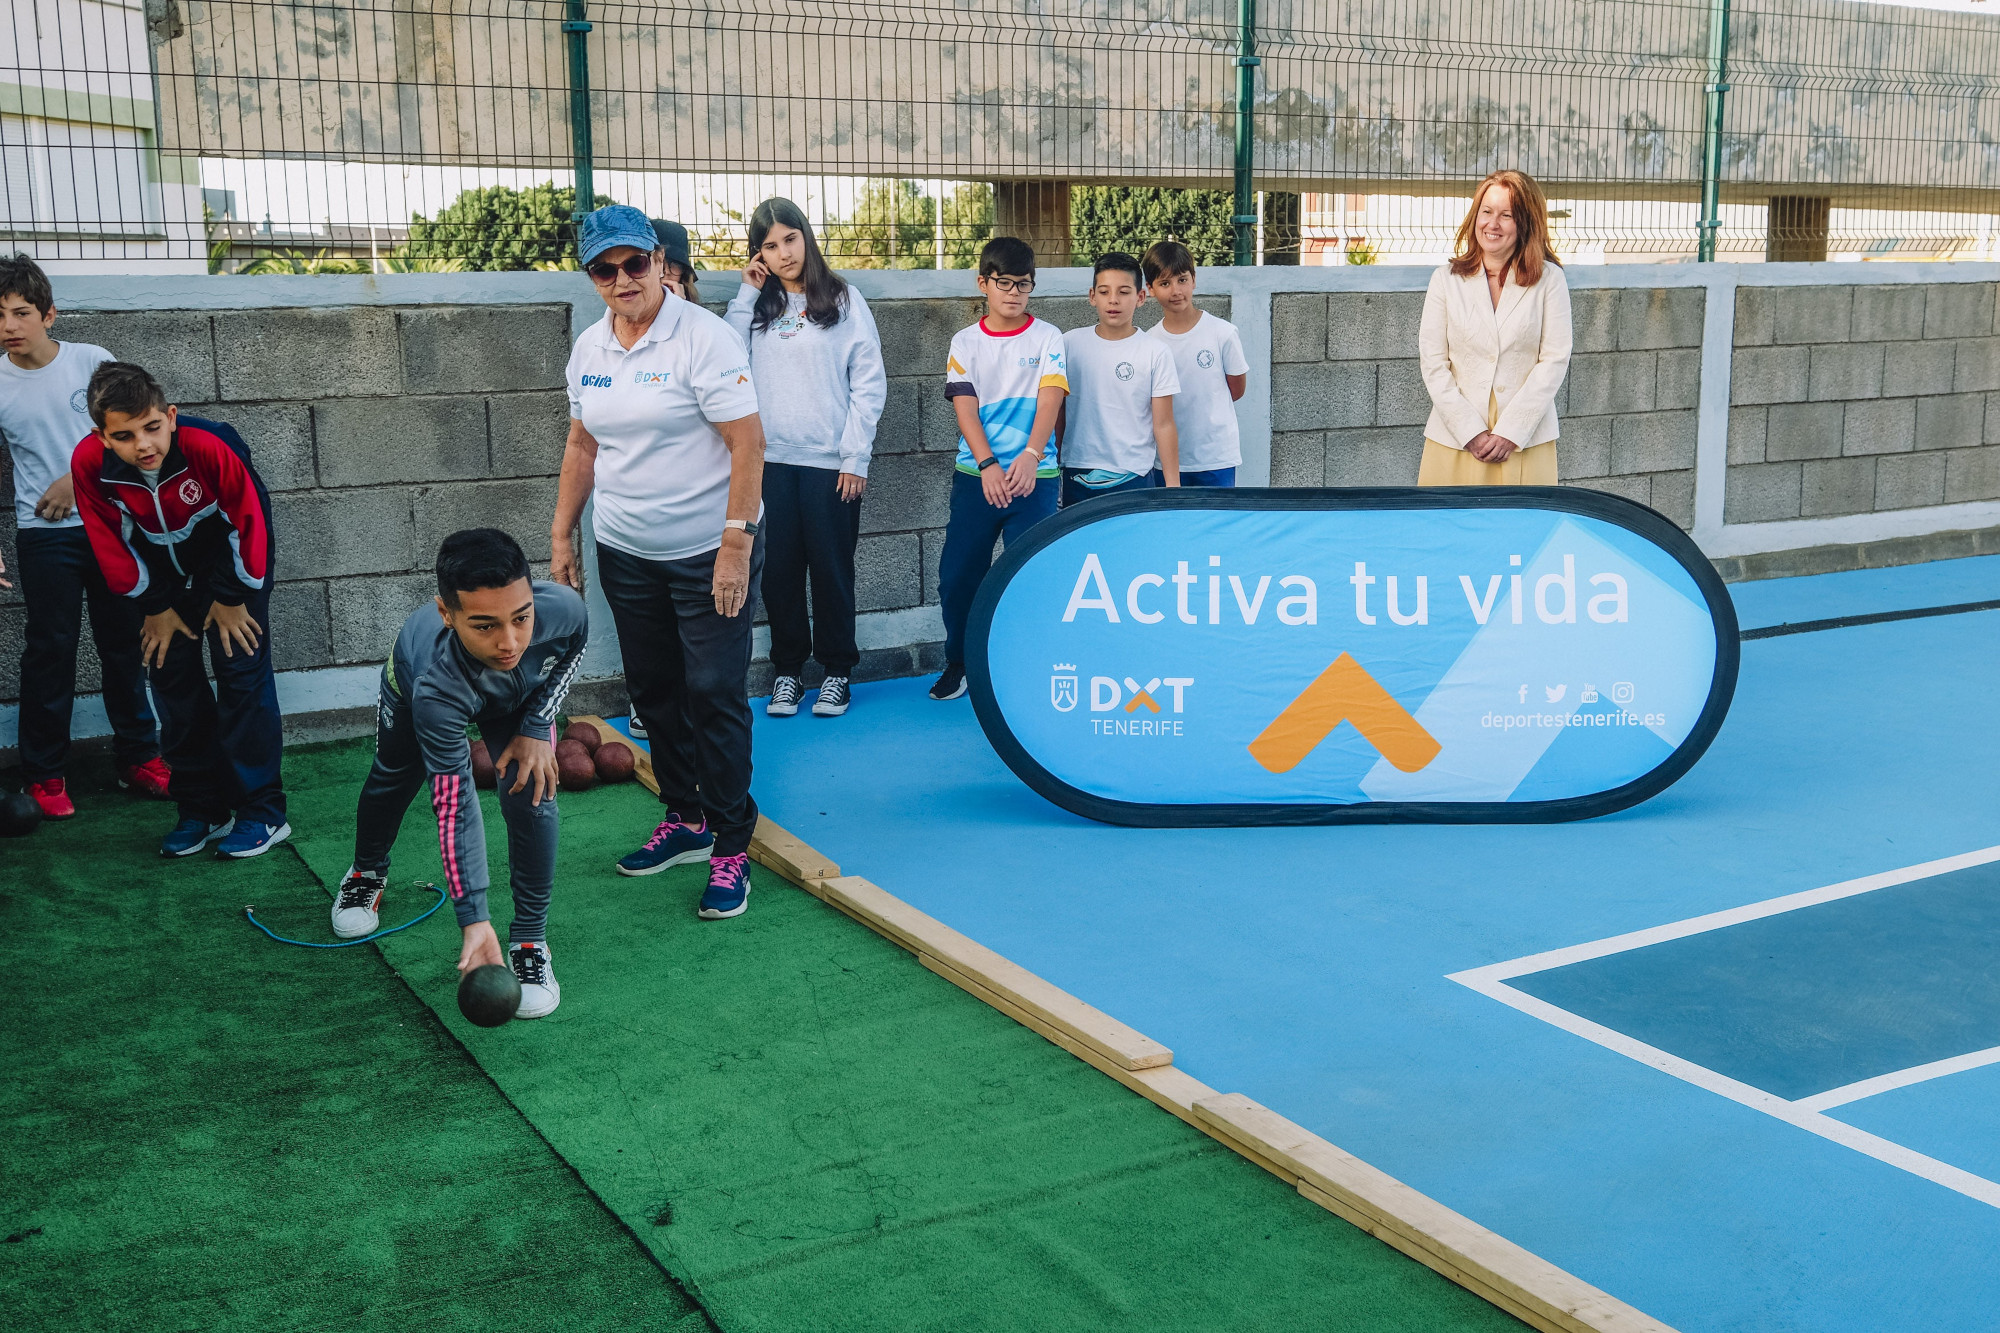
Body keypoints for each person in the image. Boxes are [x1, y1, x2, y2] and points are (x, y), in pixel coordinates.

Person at [550, 204, 768, 919]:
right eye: (604, 269)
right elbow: (583, 447)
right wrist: (562, 537)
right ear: (592, 276)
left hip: (709, 550)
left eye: (633, 263)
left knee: (713, 690)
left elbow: (747, 443)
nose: (622, 279)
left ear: (658, 261)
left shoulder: (703, 339)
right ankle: (686, 818)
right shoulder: (590, 349)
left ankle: (733, 843)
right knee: (653, 692)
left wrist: (736, 542)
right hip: (626, 551)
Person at [335, 529, 584, 1019]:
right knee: (393, 778)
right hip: (423, 689)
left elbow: (573, 651)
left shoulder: (563, 610)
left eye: (521, 618)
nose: (510, 642)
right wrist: (474, 918)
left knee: (533, 791)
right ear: (447, 615)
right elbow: (456, 807)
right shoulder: (435, 688)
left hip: (518, 702)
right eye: (485, 625)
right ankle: (366, 870)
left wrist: (537, 724)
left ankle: (530, 941)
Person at [70, 361, 288, 858]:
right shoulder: (88, 465)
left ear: (170, 415)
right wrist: (155, 606)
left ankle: (262, 812)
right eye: (123, 436)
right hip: (160, 582)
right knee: (172, 683)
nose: (143, 445)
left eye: (151, 427)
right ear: (102, 437)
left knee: (242, 677)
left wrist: (231, 597)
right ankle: (202, 808)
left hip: (231, 565)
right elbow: (108, 544)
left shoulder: (209, 446)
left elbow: (249, 523)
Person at [0, 253, 168, 819]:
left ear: (49, 314)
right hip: (43, 536)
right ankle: (45, 774)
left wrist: (76, 477)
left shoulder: (90, 361)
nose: (9, 326)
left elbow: (126, 430)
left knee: (124, 644)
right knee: (50, 651)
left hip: (109, 525)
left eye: (21, 312)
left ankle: (139, 756)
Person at [727, 197, 886, 720]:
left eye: (789, 239)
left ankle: (837, 671)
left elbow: (868, 383)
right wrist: (747, 293)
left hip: (830, 465)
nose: (783, 252)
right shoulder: (757, 308)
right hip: (770, 466)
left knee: (832, 572)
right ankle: (788, 673)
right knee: (779, 575)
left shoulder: (843, 299)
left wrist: (854, 457)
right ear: (760, 254)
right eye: (769, 246)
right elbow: (726, 365)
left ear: (806, 236)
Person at [930, 236, 1068, 702]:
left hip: (1035, 480)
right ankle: (960, 663)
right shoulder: (964, 342)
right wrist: (988, 464)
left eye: (1023, 284)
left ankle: (1026, 666)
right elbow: (965, 409)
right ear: (983, 283)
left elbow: (1050, 397)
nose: (1013, 292)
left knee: (1031, 576)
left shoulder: (1048, 336)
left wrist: (1030, 456)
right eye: (1004, 283)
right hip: (977, 479)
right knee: (958, 575)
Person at [1417, 169, 1572, 486]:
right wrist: (1470, 432)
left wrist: (1511, 433)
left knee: (1522, 534)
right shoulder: (1445, 280)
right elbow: (1433, 362)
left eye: (1506, 215)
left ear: (1526, 223)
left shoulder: (1550, 280)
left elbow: (1554, 359)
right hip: (1455, 442)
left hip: (1525, 444)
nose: (1492, 224)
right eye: (1486, 212)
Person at [1058, 251, 1180, 508]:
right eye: (1104, 292)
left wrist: (1173, 490)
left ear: (1141, 297)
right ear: (1092, 296)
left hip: (1133, 475)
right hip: (1076, 472)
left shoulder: (1155, 352)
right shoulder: (1068, 344)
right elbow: (1056, 412)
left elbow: (1164, 424)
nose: (1113, 300)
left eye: (1124, 292)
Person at [1141, 240, 1249, 487]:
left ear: (1194, 280)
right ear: (1150, 288)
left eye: (1182, 280)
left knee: (1216, 523)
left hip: (1216, 458)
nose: (1176, 291)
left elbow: (1237, 389)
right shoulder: (1149, 342)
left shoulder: (1223, 333)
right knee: (1174, 524)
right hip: (1167, 462)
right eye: (1165, 283)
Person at [650, 218, 701, 302]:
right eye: (658, 261)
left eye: (675, 264)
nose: (666, 272)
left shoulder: (696, 313)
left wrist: (679, 305)